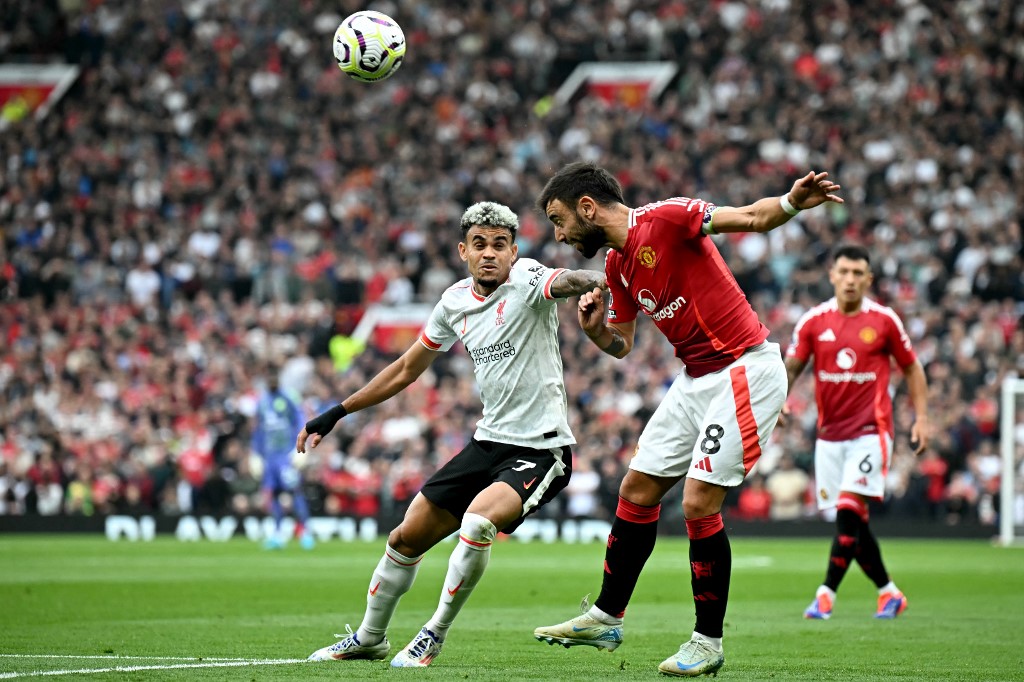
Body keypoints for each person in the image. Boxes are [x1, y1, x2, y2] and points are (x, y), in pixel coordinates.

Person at [532, 161, 843, 677]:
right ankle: (606, 618)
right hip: (695, 378)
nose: (559, 235)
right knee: (636, 489)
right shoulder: (616, 265)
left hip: (745, 366)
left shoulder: (667, 218)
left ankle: (708, 642)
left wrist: (791, 202)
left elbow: (753, 217)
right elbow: (622, 344)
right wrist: (595, 332)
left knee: (698, 500)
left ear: (587, 208)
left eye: (559, 220)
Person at [301, 202, 606, 668]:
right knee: (405, 538)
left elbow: (566, 280)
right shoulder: (453, 302)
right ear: (463, 251)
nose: (490, 253)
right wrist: (338, 412)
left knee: (477, 523)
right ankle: (369, 638)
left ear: (514, 251)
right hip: (487, 442)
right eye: (479, 244)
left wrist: (599, 279)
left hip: (542, 449)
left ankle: (433, 634)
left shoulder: (527, 279)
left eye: (500, 245)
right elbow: (406, 369)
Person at [782, 243, 929, 620]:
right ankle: (889, 593)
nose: (850, 279)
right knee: (853, 522)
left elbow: (912, 368)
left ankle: (825, 595)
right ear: (832, 275)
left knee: (848, 511)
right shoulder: (813, 321)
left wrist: (922, 417)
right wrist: (778, 400)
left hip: (871, 432)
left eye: (857, 273)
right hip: (829, 437)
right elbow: (792, 367)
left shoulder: (884, 320)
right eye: (844, 272)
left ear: (869, 279)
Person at [251, 368, 314, 550]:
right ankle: (278, 534)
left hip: (286, 455)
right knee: (274, 494)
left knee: (294, 491)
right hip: (270, 457)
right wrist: (255, 453)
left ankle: (305, 531)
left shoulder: (288, 398)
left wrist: (301, 447)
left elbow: (300, 421)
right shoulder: (262, 402)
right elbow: (258, 429)